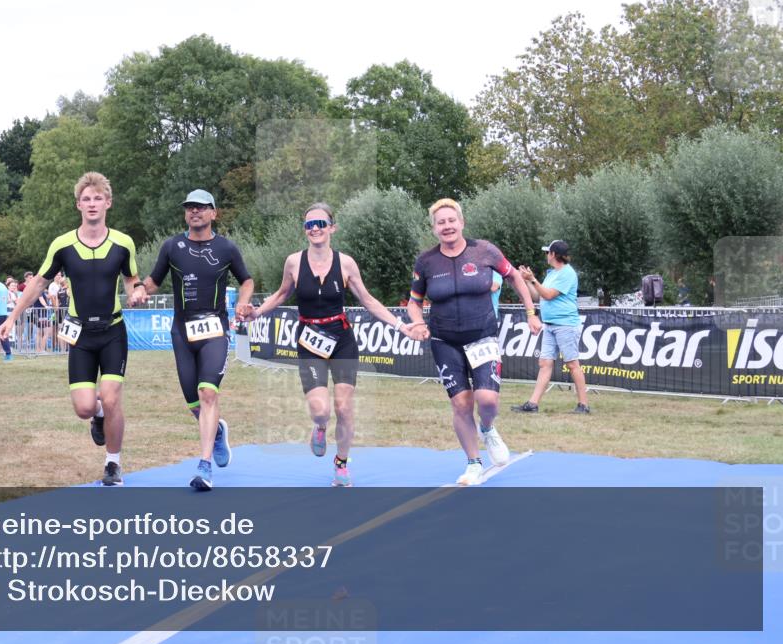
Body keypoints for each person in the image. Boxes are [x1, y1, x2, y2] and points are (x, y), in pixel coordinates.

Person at [239, 203, 427, 487]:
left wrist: (401, 326)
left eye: (320, 223)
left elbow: (368, 300)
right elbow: (280, 295)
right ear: (305, 231)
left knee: (344, 406)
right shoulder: (293, 262)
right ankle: (319, 427)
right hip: (309, 339)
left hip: (341, 339)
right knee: (321, 410)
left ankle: (341, 463)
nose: (315, 228)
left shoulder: (346, 263)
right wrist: (256, 312)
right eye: (309, 224)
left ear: (332, 228)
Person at [0, 172, 147, 486]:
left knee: (110, 396)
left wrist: (136, 292)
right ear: (78, 204)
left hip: (112, 331)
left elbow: (132, 279)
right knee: (83, 408)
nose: (92, 204)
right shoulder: (62, 245)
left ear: (108, 203)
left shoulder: (123, 243)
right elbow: (38, 282)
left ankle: (112, 463)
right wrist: (12, 318)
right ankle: (98, 417)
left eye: (98, 198)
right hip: (79, 335)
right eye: (86, 199)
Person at [407, 198, 542, 486]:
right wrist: (418, 322)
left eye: (451, 220)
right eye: (440, 222)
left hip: (482, 335)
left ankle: (488, 428)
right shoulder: (426, 262)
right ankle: (473, 462)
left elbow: (516, 278)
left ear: (461, 222)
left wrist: (531, 313)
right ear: (434, 228)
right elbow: (414, 302)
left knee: (487, 400)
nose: (447, 226)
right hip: (444, 340)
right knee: (461, 403)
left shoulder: (484, 251)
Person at [142, 189, 255, 491]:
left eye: (202, 208)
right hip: (181, 333)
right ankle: (217, 432)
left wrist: (244, 302)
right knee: (194, 404)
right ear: (185, 214)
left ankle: (204, 467)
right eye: (190, 208)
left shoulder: (226, 248)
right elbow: (153, 281)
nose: (195, 212)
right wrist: (140, 289)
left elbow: (247, 280)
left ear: (214, 213)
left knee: (208, 393)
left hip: (215, 330)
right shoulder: (171, 247)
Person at [512, 239, 590, 415]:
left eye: (548, 252)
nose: (546, 255)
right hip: (551, 325)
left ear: (553, 254)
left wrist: (533, 279)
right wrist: (526, 281)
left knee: (572, 364)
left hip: (565, 325)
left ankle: (583, 404)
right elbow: (537, 296)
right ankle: (533, 404)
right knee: (544, 363)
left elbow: (548, 295)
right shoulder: (552, 273)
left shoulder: (567, 273)